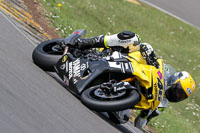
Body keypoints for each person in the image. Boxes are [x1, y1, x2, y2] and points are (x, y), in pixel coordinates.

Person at [72, 31, 196, 129]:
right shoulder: (163, 70)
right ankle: (84, 42)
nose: (176, 96)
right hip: (128, 62)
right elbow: (146, 46)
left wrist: (147, 115)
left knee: (121, 118)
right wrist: (151, 56)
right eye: (178, 91)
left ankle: (101, 89)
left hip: (128, 93)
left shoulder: (162, 104)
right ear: (175, 80)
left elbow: (139, 123)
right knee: (133, 38)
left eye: (181, 96)